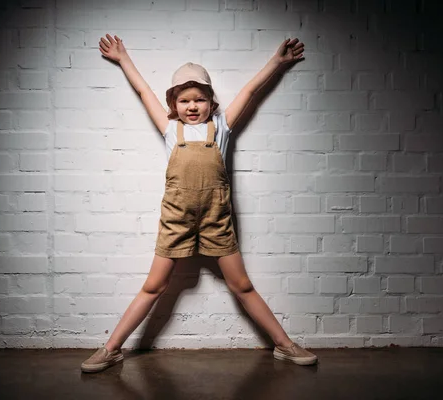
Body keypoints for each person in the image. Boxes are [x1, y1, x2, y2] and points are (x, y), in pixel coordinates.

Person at [80, 34, 318, 373]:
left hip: (216, 220)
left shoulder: (220, 128)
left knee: (243, 285)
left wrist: (277, 64)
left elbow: (250, 91)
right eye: (185, 100)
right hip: (176, 220)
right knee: (154, 286)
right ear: (174, 104)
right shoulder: (170, 129)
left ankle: (284, 344)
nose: (192, 106)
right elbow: (143, 91)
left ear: (211, 103)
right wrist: (123, 59)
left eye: (200, 99)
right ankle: (111, 348)